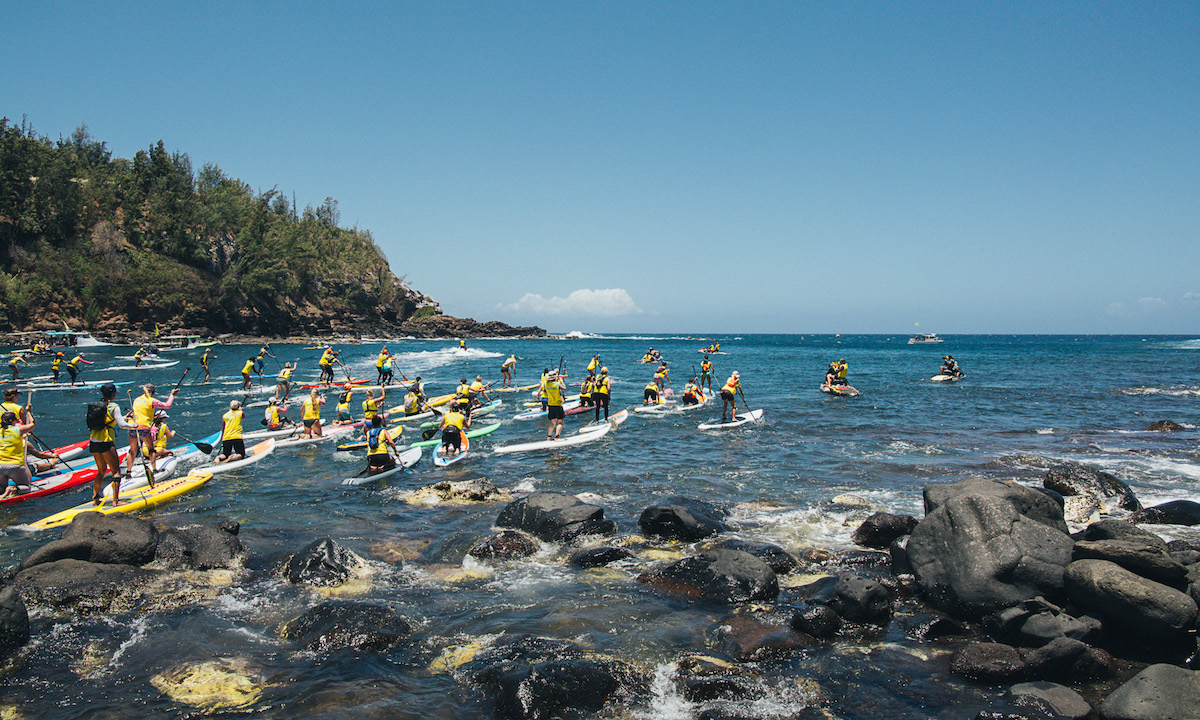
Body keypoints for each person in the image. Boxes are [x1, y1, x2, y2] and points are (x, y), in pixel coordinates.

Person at [88, 383, 134, 505]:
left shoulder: (99, 405)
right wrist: (133, 425)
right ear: (113, 393)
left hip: (93, 441)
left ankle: (95, 499)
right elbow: (122, 425)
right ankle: (115, 501)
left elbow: (109, 420)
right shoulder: (114, 406)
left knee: (101, 470)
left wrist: (123, 417)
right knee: (116, 471)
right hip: (106, 441)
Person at [126, 383, 179, 475]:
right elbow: (167, 405)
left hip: (132, 427)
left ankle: (128, 472)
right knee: (151, 449)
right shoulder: (151, 400)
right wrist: (172, 395)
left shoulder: (136, 400)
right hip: (143, 427)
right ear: (151, 392)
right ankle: (154, 470)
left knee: (133, 451)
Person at [0, 411, 37, 501]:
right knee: (26, 487)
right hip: (16, 465)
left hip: (0, 466)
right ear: (13, 421)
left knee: (1, 487)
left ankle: (3, 493)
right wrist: (29, 412)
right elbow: (33, 424)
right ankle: (12, 490)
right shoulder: (18, 430)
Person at [542, 369, 567, 441]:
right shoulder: (557, 384)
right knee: (560, 422)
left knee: (552, 422)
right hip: (558, 404)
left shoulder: (545, 384)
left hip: (550, 404)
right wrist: (561, 381)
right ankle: (557, 437)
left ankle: (549, 437)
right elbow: (564, 388)